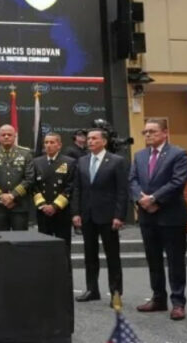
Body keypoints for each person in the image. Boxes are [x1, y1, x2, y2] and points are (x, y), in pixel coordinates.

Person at [129, 119, 187, 320]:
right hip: (147, 216)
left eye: (152, 131)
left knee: (175, 261)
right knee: (153, 259)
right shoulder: (139, 155)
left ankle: (178, 303)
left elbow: (178, 181)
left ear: (165, 132)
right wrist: (142, 199)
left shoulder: (178, 153)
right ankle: (158, 298)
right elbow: (133, 181)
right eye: (145, 131)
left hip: (171, 215)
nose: (148, 135)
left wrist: (155, 199)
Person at [72, 128, 128, 310]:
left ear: (104, 141)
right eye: (88, 139)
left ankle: (116, 294)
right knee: (90, 256)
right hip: (87, 216)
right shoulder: (81, 161)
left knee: (113, 257)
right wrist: (76, 213)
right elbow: (78, 190)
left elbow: (122, 191)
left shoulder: (117, 161)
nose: (90, 141)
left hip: (109, 216)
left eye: (94, 138)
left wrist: (119, 216)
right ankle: (92, 290)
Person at [0, 124, 34, 231]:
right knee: (1, 242)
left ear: (15, 136)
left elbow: (29, 178)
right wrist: (2, 196)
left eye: (9, 135)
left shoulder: (25, 154)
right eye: (3, 135)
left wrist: (12, 196)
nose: (6, 137)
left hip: (19, 205)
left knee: (21, 241)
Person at [32, 133, 76, 250]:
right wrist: (43, 205)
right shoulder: (36, 162)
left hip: (61, 210)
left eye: (52, 142)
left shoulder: (69, 162)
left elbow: (70, 186)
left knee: (64, 246)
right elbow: (33, 186)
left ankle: (65, 269)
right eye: (46, 142)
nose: (48, 145)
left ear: (59, 145)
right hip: (43, 210)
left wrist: (55, 206)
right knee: (45, 247)